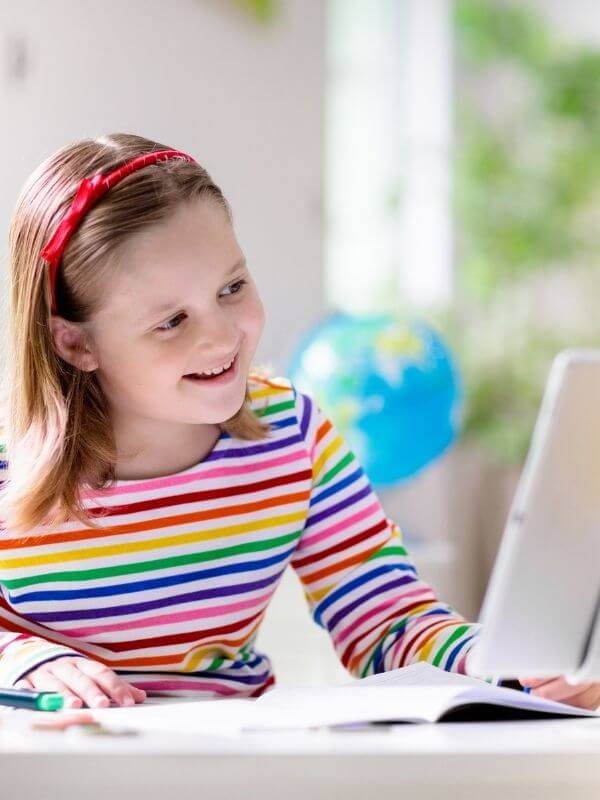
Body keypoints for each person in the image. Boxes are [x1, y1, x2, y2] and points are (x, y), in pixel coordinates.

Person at [0, 133, 597, 713]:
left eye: (231, 287)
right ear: (76, 343)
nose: (223, 335)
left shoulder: (294, 434)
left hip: (227, 766)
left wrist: (511, 665)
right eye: (171, 321)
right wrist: (26, 660)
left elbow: (390, 624)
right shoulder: (9, 462)